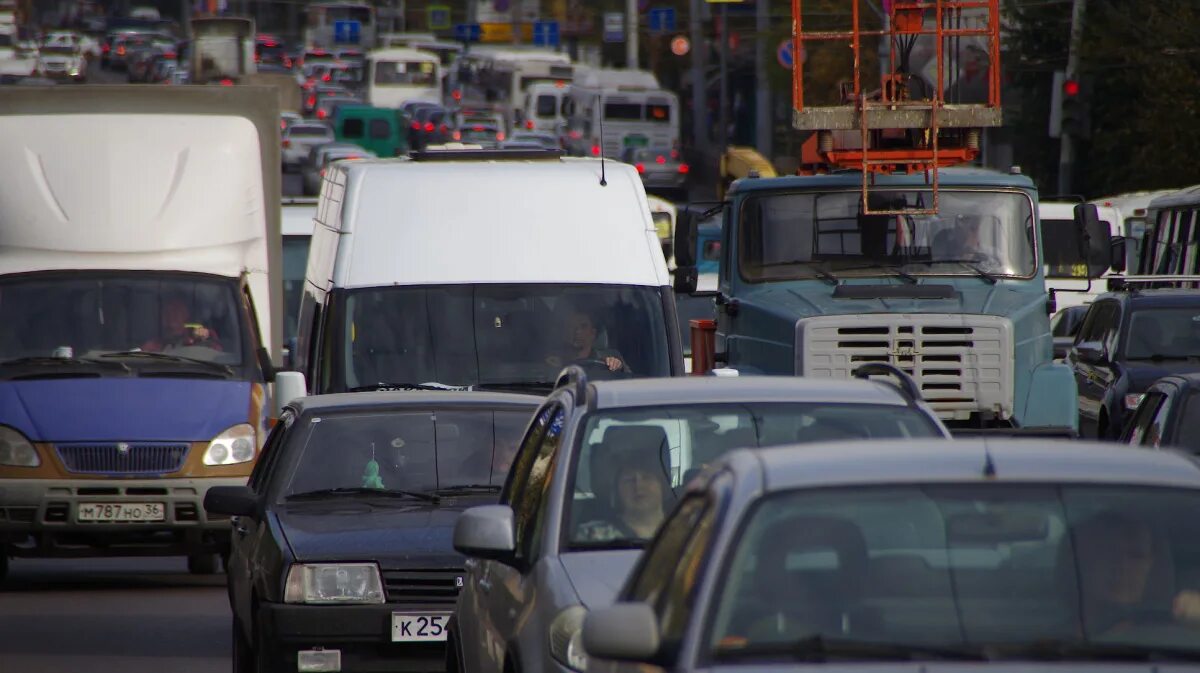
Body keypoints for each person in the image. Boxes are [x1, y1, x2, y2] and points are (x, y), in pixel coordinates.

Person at [1071, 511, 1200, 634]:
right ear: (1085, 561)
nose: (1122, 566)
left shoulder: (1181, 636)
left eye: (1136, 556)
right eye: (1111, 554)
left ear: (1152, 567)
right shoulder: (1056, 639)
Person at [576, 428, 673, 542]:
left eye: (647, 478)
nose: (638, 486)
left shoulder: (689, 532)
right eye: (629, 480)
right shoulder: (591, 535)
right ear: (617, 490)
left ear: (663, 485)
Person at [545, 309, 629, 374]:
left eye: (583, 326)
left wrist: (619, 368)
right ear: (565, 334)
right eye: (572, 326)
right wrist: (553, 369)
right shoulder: (554, 359)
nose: (577, 331)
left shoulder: (612, 356)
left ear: (593, 333)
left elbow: (631, 383)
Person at [141, 297, 221, 352]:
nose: (171, 318)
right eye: (167, 313)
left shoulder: (199, 337)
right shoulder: (154, 344)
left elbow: (217, 358)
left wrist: (204, 340)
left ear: (186, 315)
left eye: (177, 313)